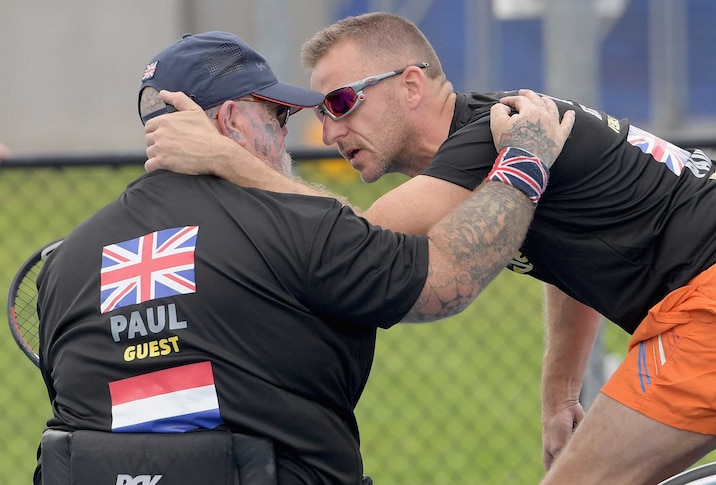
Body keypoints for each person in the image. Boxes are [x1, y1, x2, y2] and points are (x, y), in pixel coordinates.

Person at [142, 13, 716, 485]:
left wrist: (225, 158)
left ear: (411, 84)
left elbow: (352, 239)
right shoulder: (503, 140)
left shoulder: (488, 138)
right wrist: (558, 393)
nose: (328, 132)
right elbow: (574, 259)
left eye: (340, 103)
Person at [35, 31, 574, 485]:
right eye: (277, 116)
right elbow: (447, 279)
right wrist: (524, 162)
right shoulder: (296, 226)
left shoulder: (65, 263)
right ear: (232, 120)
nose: (292, 136)